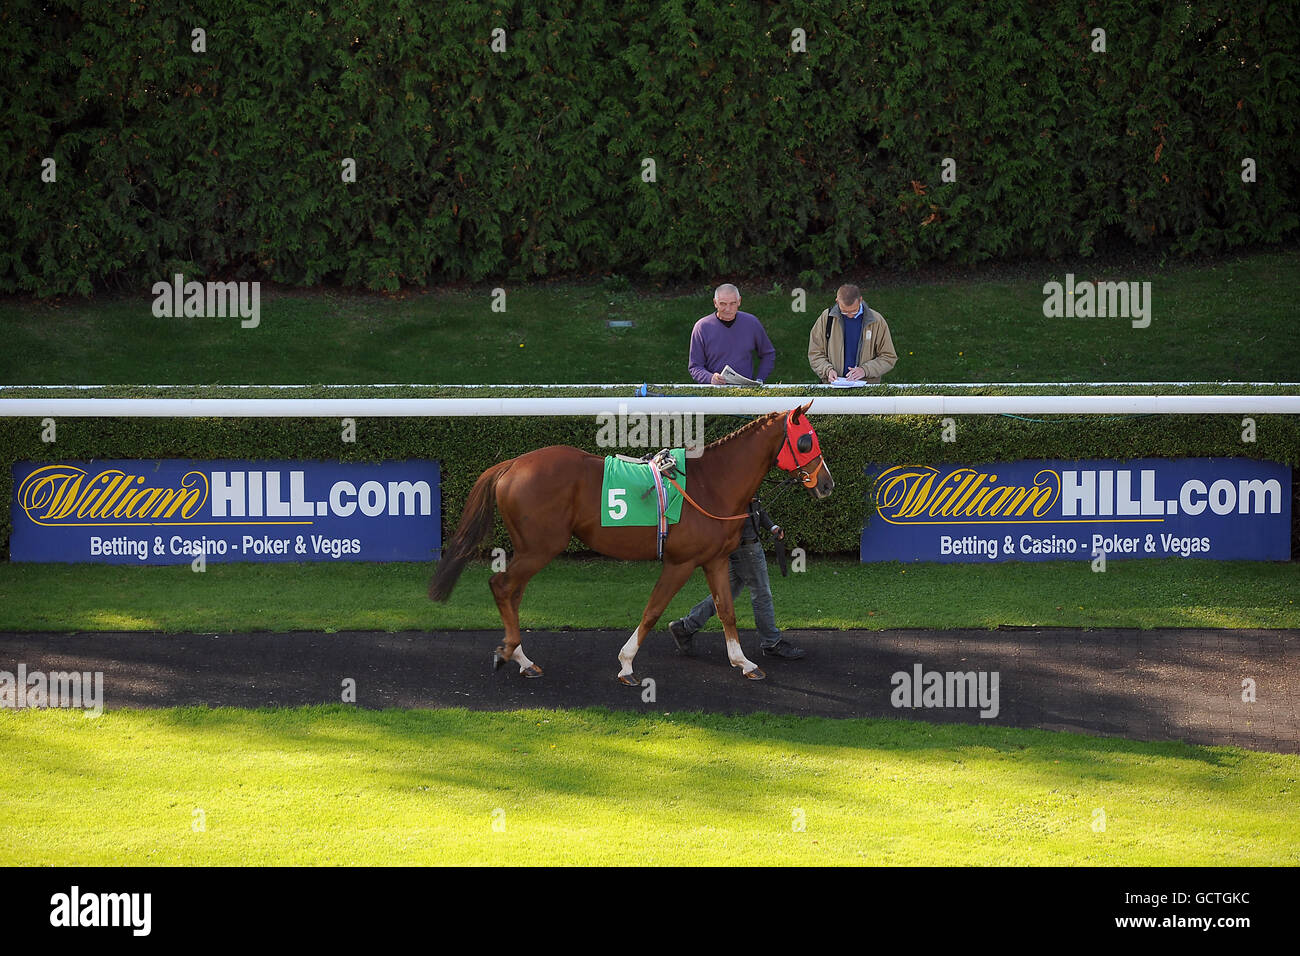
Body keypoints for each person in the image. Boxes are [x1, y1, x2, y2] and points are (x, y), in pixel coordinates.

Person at [668, 499, 805, 660]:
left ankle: (685, 627)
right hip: (746, 548)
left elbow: (756, 507)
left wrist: (772, 526)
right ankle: (771, 642)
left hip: (743, 546)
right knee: (761, 594)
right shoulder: (732, 485)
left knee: (727, 592)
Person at [688, 284, 776, 385]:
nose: (728, 309)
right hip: (714, 389)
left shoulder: (752, 323)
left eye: (732, 303)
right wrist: (710, 378)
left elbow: (768, 354)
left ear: (739, 301)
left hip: (745, 389)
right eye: (723, 304)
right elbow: (695, 367)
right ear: (715, 303)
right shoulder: (702, 327)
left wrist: (760, 379)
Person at [807, 284, 897, 383]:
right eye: (845, 312)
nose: (850, 316)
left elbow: (888, 357)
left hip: (866, 387)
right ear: (837, 301)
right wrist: (827, 370)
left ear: (860, 300)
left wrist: (865, 370)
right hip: (833, 386)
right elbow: (815, 353)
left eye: (854, 311)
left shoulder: (876, 321)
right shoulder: (827, 318)